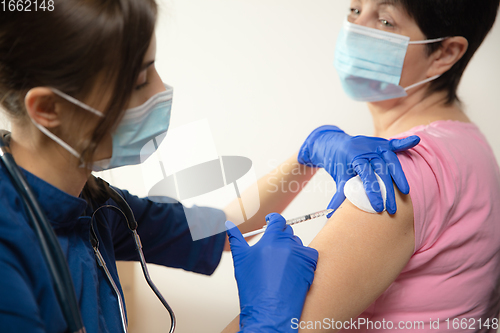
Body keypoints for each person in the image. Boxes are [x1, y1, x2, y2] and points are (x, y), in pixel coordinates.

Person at [0, 0, 417, 332]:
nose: (162, 91)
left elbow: (221, 226)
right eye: (140, 81)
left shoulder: (94, 205)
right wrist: (264, 326)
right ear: (48, 108)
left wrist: (308, 157)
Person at [224, 0, 500, 332]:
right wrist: (305, 157)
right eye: (355, 10)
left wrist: (261, 315)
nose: (356, 29)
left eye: (385, 22)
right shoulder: (467, 143)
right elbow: (209, 236)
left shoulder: (395, 172)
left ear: (443, 53)